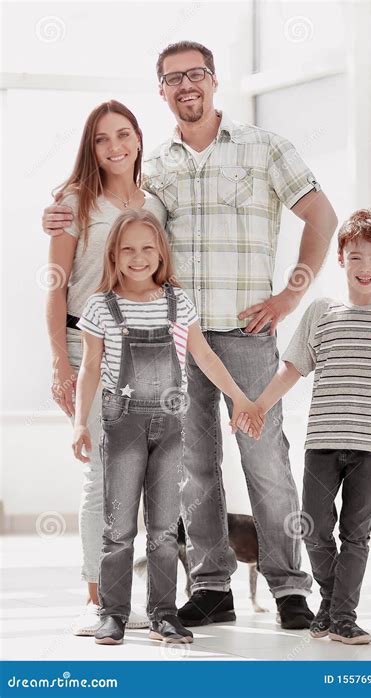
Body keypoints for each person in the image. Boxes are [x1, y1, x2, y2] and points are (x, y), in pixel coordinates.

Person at [42, 40, 339, 629]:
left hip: (247, 337)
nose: (186, 86)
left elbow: (323, 218)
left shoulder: (264, 148)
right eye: (173, 79)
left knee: (266, 463)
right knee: (193, 469)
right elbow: (103, 213)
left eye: (196, 75)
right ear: (162, 90)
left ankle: (287, 588)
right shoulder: (155, 172)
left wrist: (291, 294)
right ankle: (209, 585)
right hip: (175, 346)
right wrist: (52, 213)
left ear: (214, 80)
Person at [72, 208, 263, 645]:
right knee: (119, 528)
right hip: (121, 425)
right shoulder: (101, 306)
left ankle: (163, 613)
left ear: (161, 253)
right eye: (128, 250)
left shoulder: (178, 302)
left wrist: (240, 398)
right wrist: (78, 424)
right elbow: (90, 368)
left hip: (170, 427)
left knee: (162, 528)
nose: (138, 258)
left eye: (147, 248)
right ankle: (113, 613)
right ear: (114, 256)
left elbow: (206, 357)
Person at [241, 209, 371, 644]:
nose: (366, 268)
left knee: (356, 535)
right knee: (312, 525)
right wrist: (258, 406)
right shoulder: (321, 312)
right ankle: (331, 602)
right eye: (357, 257)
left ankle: (341, 616)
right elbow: (292, 369)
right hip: (323, 443)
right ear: (341, 259)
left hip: (370, 446)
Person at [46, 100, 167, 635]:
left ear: (139, 138)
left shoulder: (156, 203)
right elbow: (55, 286)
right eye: (101, 139)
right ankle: (96, 597)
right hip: (83, 347)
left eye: (123, 134)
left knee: (138, 477)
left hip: (144, 351)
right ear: (90, 148)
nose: (114, 146)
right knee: (100, 476)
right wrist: (58, 363)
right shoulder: (74, 202)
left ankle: (124, 595)